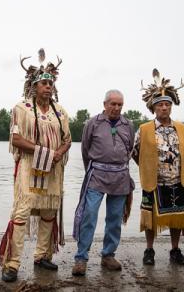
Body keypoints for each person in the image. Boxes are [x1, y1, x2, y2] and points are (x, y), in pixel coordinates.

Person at [0, 49, 71, 282]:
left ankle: (42, 256)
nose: (48, 86)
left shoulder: (60, 112)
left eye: (50, 83)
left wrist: (58, 153)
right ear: (34, 85)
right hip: (30, 166)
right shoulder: (21, 108)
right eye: (43, 83)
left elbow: (68, 139)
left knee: (49, 211)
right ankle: (12, 263)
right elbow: (16, 139)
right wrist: (44, 152)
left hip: (52, 169)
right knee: (21, 212)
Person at [72, 90, 135, 276]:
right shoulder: (93, 123)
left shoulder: (128, 125)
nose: (116, 108)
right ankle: (81, 258)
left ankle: (108, 255)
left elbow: (130, 148)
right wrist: (91, 170)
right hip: (97, 175)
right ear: (105, 104)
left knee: (115, 218)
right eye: (113, 104)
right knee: (89, 216)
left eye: (120, 104)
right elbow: (85, 149)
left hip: (120, 178)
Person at [132, 68, 184, 266]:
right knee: (149, 218)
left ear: (171, 107)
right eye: (160, 105)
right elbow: (135, 152)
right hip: (153, 181)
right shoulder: (144, 129)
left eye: (167, 104)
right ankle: (149, 250)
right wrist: (148, 168)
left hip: (177, 180)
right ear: (154, 108)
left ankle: (175, 250)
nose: (164, 108)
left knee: (178, 217)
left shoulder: (182, 129)